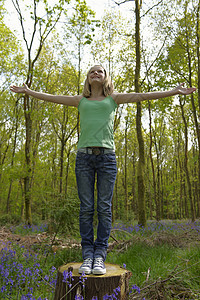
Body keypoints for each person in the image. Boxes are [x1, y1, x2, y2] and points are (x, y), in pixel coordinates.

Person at [10, 65, 196, 275]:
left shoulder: (113, 99)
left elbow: (143, 95)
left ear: (106, 78)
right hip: (84, 159)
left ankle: (100, 256)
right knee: (87, 207)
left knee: (104, 207)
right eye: (92, 72)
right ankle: (87, 255)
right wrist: (28, 91)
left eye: (100, 71)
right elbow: (53, 97)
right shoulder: (80, 101)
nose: (96, 73)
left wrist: (174, 91)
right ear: (88, 80)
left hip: (107, 158)